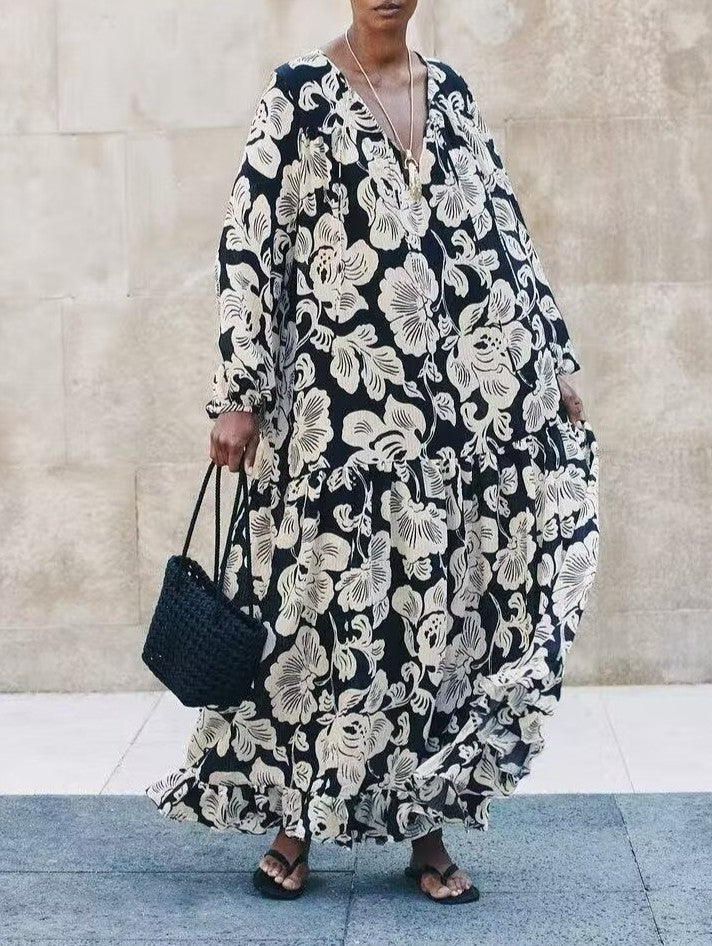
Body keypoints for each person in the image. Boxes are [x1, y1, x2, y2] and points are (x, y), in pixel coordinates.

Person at [146, 0, 600, 904]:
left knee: (430, 624)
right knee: (318, 623)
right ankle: (293, 827)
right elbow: (251, 247)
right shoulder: (299, 96)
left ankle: (426, 835)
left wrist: (551, 364)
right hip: (328, 417)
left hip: (441, 428)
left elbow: (503, 240)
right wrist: (241, 390)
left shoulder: (455, 98)